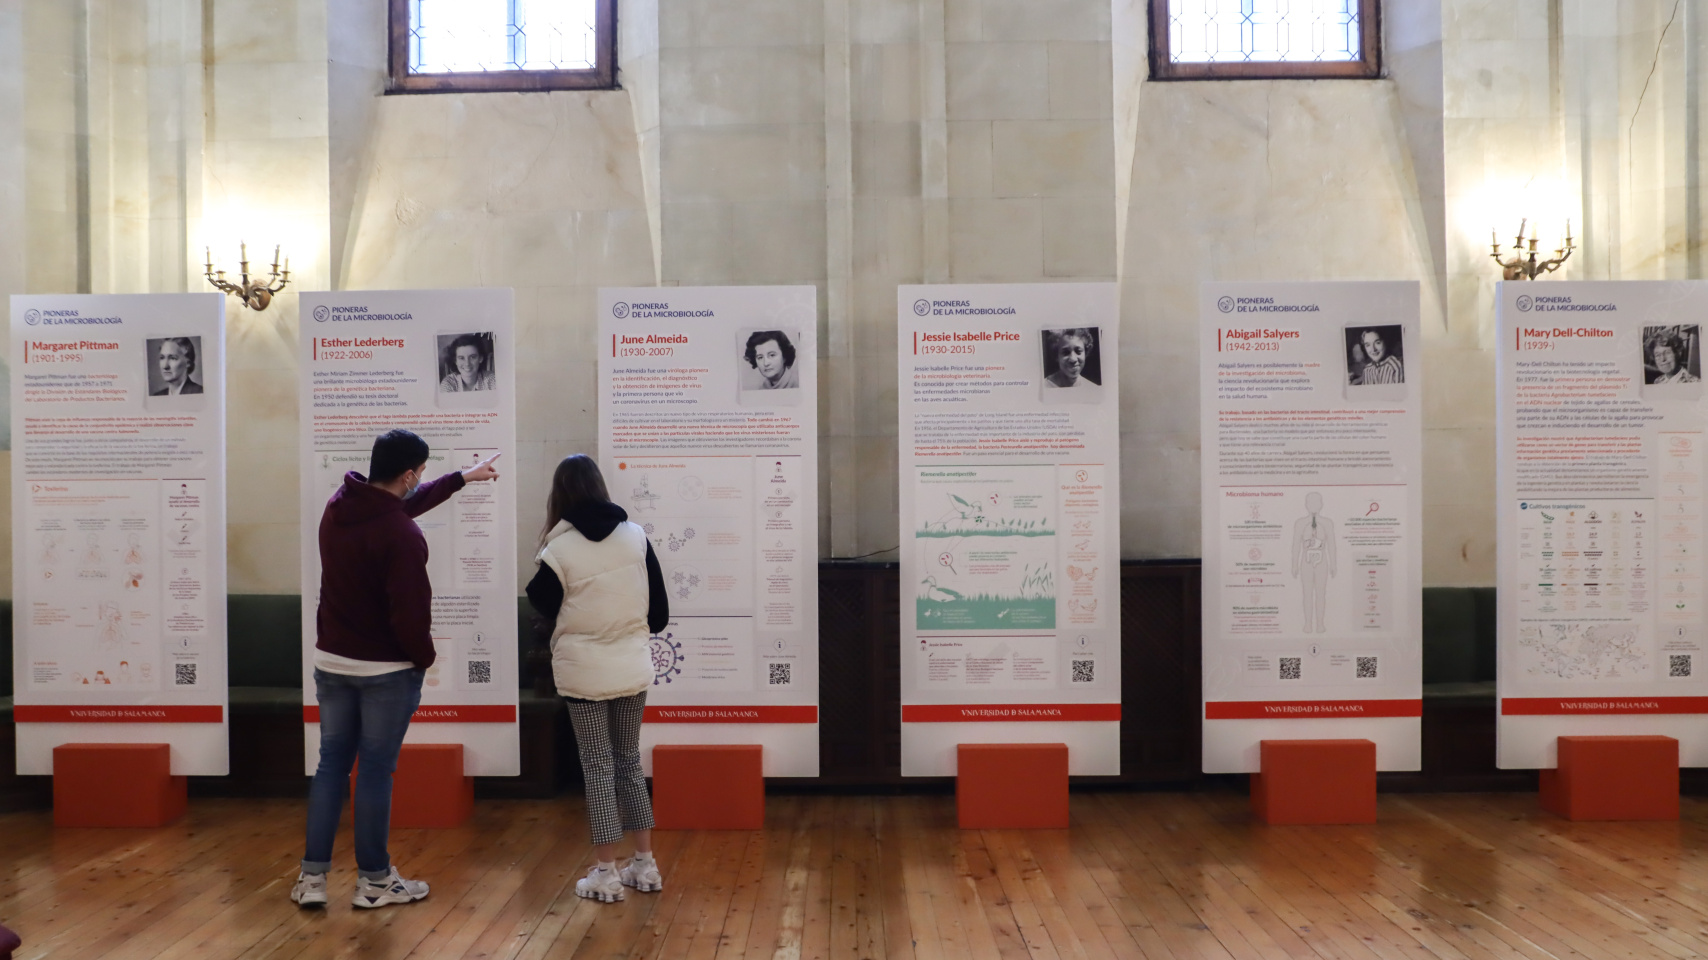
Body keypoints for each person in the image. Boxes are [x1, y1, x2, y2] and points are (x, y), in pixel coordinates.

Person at [291, 430, 500, 910]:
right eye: (421, 473)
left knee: (330, 769)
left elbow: (399, 507)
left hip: (332, 663)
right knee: (375, 774)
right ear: (408, 474)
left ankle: (311, 881)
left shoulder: (340, 506)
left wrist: (460, 480)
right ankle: (375, 883)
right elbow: (410, 614)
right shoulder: (402, 536)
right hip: (385, 671)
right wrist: (424, 660)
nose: (421, 480)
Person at [526, 454, 669, 903]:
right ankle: (644, 865)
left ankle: (605, 872)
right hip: (632, 668)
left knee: (598, 766)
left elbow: (542, 605)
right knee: (628, 760)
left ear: (559, 494)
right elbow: (659, 616)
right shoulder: (637, 538)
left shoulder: (558, 550)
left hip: (584, 674)